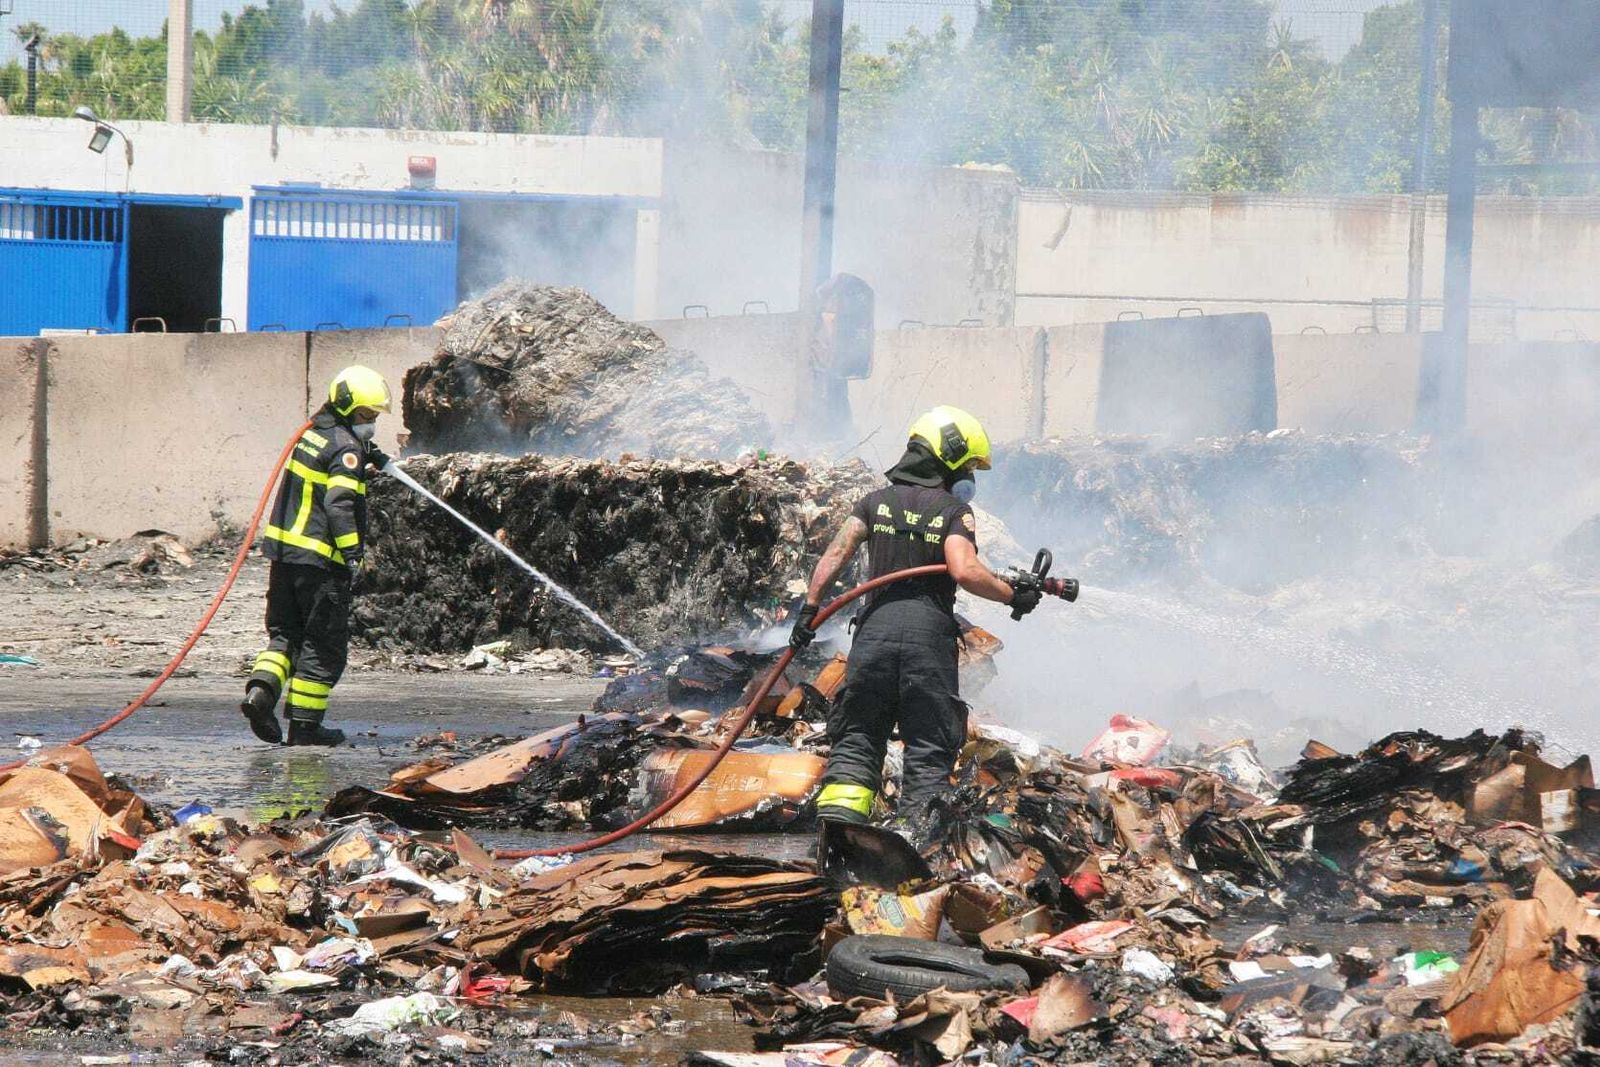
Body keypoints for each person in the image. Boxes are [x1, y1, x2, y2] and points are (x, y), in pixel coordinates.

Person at [791, 405, 1040, 823]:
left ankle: (837, 833)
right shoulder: (954, 512)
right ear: (947, 460)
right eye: (967, 468)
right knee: (928, 748)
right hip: (928, 641)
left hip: (874, 637)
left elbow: (834, 554)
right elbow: (964, 570)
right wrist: (1012, 595)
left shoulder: (874, 503)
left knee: (857, 739)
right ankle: (914, 845)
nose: (970, 480)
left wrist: (809, 610)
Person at [241, 365, 393, 747]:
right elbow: (339, 503)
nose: (371, 423)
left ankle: (260, 694)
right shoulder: (346, 450)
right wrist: (354, 555)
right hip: (321, 564)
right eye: (366, 416)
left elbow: (324, 465)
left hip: (284, 558)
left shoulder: (313, 435)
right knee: (323, 646)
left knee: (285, 635)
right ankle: (305, 728)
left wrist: (368, 450)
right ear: (346, 408)